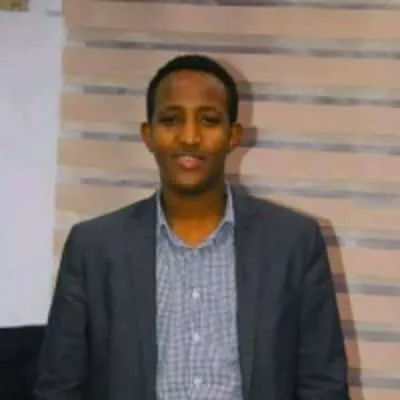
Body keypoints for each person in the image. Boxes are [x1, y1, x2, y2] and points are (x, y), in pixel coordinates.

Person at [35, 54, 349, 400]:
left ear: (233, 135)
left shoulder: (293, 243)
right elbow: (59, 389)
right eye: (171, 120)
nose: (189, 137)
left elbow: (323, 387)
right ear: (148, 134)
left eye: (209, 120)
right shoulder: (94, 247)